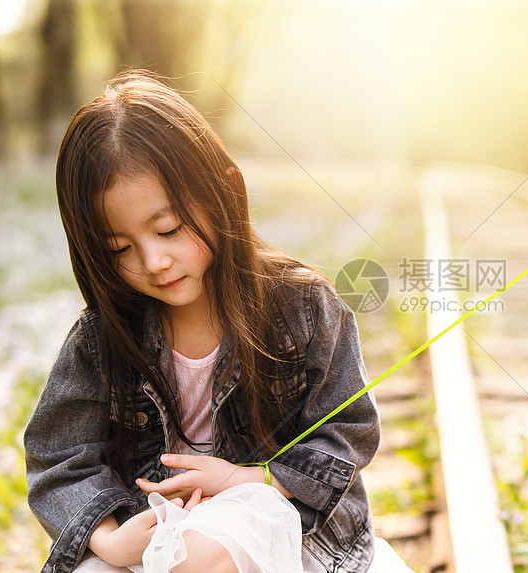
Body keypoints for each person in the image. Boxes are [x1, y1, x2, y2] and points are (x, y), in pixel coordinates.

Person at [24, 70, 410, 573]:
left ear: (223, 191)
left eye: (168, 229)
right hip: (152, 531)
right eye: (119, 249)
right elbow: (58, 458)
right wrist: (112, 541)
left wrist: (247, 480)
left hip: (280, 521)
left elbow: (349, 429)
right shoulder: (102, 340)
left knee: (199, 556)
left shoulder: (304, 308)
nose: (153, 261)